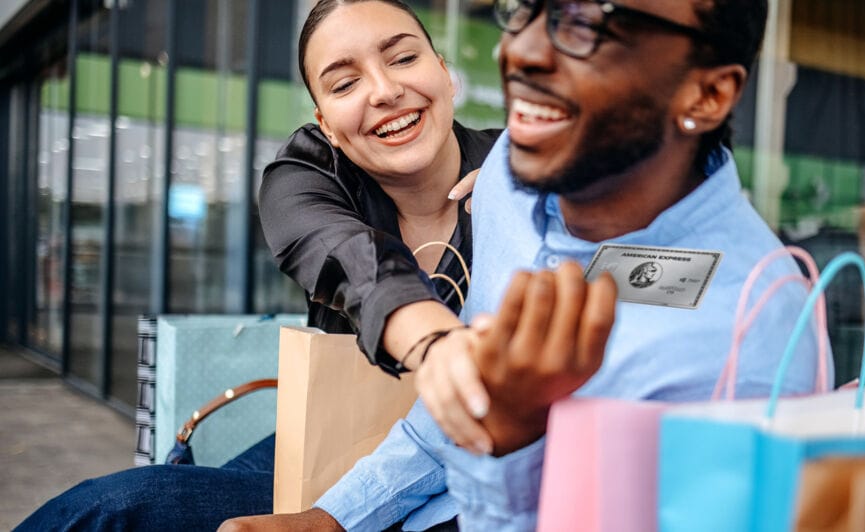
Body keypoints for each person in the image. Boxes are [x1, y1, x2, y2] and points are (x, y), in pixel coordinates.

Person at [225, 0, 820, 530]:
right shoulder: (510, 174)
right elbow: (440, 421)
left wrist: (509, 440)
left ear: (707, 94)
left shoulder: (755, 338)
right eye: (527, 8)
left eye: (589, 22)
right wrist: (334, 517)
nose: (520, 49)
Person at [15, 1, 499, 530]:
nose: (383, 90)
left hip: (484, 458)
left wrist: (531, 193)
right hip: (338, 438)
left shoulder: (525, 174)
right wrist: (434, 345)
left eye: (404, 58)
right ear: (326, 125)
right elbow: (354, 260)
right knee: (117, 508)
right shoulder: (306, 174)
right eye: (343, 85)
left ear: (446, 74)